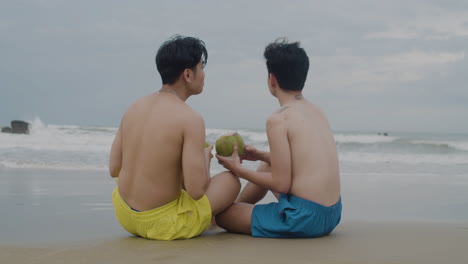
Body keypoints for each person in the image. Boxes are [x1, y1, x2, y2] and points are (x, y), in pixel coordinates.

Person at [109, 35, 240, 240]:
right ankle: (207, 221)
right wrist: (205, 158)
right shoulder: (190, 118)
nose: (204, 75)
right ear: (188, 74)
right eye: (201, 68)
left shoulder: (135, 107)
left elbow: (114, 169)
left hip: (125, 216)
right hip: (163, 226)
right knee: (230, 181)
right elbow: (196, 190)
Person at [215, 39, 342, 238]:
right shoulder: (317, 111)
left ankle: (238, 209)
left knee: (222, 215)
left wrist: (238, 169)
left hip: (303, 219)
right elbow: (304, 162)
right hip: (332, 214)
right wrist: (259, 155)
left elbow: (281, 184)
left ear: (271, 79)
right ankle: (243, 207)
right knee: (267, 166)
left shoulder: (278, 119)